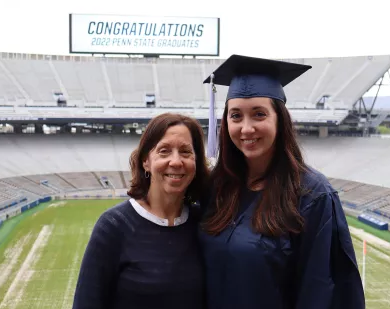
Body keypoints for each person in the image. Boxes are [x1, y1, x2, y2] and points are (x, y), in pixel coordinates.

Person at [198, 55, 365, 309]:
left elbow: (322, 292)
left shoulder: (311, 195)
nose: (246, 128)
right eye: (236, 116)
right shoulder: (218, 187)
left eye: (259, 114)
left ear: (279, 119)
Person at [72, 113, 210, 309]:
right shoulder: (114, 227)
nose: (176, 161)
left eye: (186, 152)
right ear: (146, 161)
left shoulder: (203, 223)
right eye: (164, 151)